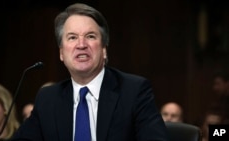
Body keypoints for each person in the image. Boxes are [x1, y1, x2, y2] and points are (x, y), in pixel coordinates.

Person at [11, 3, 168, 141]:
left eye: (90, 36)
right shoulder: (48, 98)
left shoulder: (134, 91)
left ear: (104, 50)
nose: (81, 44)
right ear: (61, 53)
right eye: (72, 37)